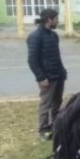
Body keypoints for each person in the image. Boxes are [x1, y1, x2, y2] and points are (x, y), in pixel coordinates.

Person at [26, 8, 66, 140]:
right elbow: (32, 60)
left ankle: (55, 126)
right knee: (46, 104)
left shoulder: (53, 35)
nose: (58, 21)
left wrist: (62, 71)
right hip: (47, 78)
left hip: (58, 75)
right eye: (56, 18)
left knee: (57, 104)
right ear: (49, 20)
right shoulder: (35, 37)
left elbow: (57, 56)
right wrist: (41, 77)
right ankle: (43, 130)